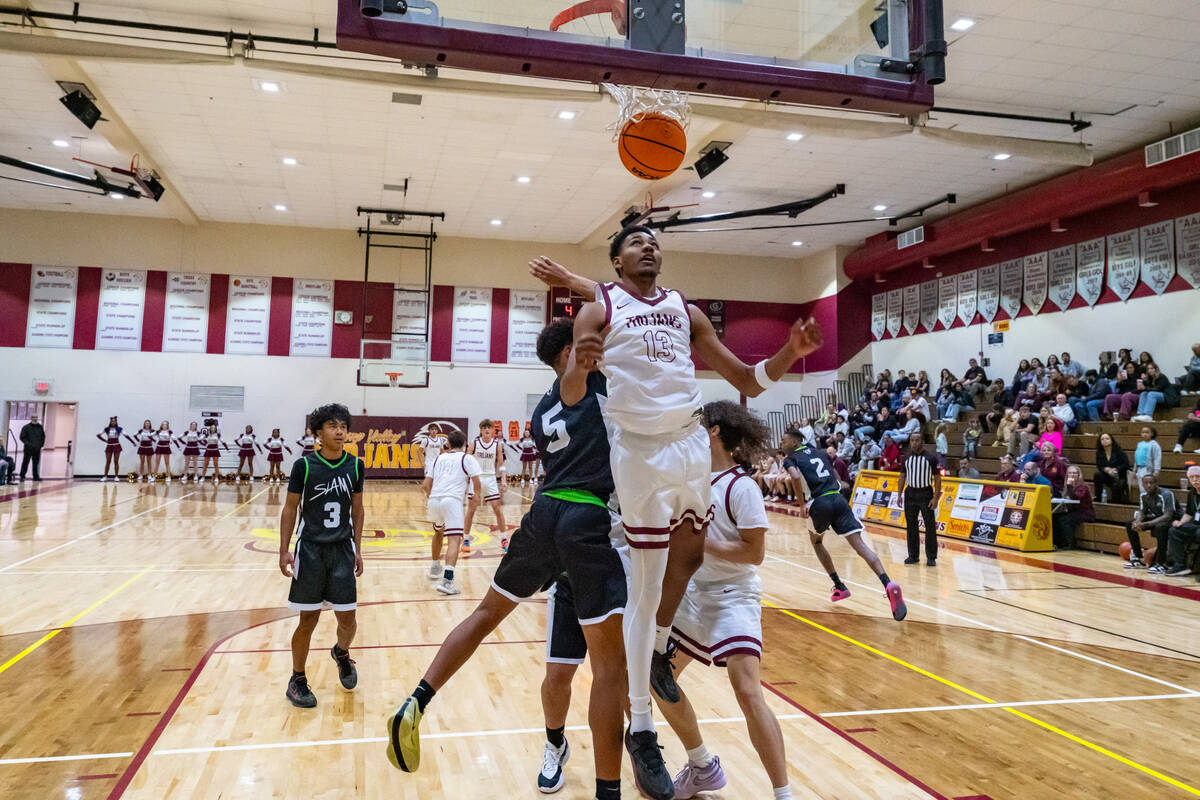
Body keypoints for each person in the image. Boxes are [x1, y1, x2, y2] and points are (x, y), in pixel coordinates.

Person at [530, 228, 824, 799]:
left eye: (655, 241)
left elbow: (744, 380)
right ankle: (641, 722)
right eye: (636, 242)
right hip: (638, 450)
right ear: (616, 260)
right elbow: (570, 393)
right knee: (644, 584)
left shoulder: (684, 311)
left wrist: (792, 352)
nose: (649, 247)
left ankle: (658, 651)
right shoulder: (600, 306)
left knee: (683, 561)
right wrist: (580, 367)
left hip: (688, 444)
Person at [386, 319, 630, 800]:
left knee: (484, 615)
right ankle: (609, 788)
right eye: (585, 344)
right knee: (609, 669)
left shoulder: (542, 411)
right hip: (586, 520)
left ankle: (418, 698)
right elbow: (597, 321)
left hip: (542, 515)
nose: (597, 346)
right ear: (568, 353)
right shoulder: (586, 378)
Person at [656, 402, 809, 800]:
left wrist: (700, 543)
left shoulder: (741, 486)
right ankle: (701, 764)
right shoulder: (691, 479)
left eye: (698, 427)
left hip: (733, 597)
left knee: (747, 690)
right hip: (692, 595)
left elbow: (753, 553)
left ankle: (783, 794)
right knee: (659, 680)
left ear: (715, 432)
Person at [277, 403, 365, 708]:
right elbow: (290, 508)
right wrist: (284, 549)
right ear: (318, 432)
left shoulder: (355, 465)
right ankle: (297, 679)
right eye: (332, 426)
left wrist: (359, 548)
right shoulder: (303, 466)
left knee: (349, 620)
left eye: (343, 426)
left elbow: (358, 508)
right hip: (311, 550)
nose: (340, 431)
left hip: (342, 550)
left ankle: (341, 652)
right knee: (308, 620)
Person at [781, 428, 908, 617]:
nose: (781, 445)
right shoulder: (821, 452)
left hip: (820, 502)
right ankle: (888, 583)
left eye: (784, 441)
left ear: (794, 442)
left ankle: (839, 586)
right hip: (838, 498)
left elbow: (796, 477)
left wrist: (801, 504)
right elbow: (833, 474)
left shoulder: (790, 459)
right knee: (860, 546)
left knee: (816, 542)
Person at [424, 429, 482, 595]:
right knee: (455, 539)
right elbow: (477, 481)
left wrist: (431, 498)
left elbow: (425, 485)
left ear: (447, 444)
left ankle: (435, 567)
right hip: (452, 500)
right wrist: (475, 497)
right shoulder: (467, 458)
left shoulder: (439, 458)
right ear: (465, 444)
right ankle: (447, 581)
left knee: (438, 532)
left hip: (434, 500)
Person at [898, 431, 941, 566]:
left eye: (917, 440)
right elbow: (902, 476)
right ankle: (913, 555)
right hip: (910, 493)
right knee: (911, 526)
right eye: (912, 440)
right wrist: (899, 494)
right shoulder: (906, 457)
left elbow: (938, 478)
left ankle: (931, 557)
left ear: (922, 441)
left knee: (929, 526)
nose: (914, 443)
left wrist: (935, 498)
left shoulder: (931, 458)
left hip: (925, 493)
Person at [465, 419, 509, 550]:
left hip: (490, 478)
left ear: (492, 430)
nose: (486, 430)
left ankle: (504, 539)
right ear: (481, 430)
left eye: (489, 427)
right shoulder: (474, 443)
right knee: (471, 509)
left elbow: (501, 464)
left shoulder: (497, 445)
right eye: (484, 427)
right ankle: (466, 539)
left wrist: (504, 479)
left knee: (497, 508)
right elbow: (466, 461)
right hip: (476, 478)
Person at [1126, 474, 1175, 571]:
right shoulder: (1143, 495)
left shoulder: (1166, 494)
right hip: (1156, 519)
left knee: (1161, 528)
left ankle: (1161, 563)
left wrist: (1147, 524)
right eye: (1146, 483)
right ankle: (1139, 559)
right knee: (1130, 524)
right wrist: (1138, 521)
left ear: (1156, 484)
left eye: (1151, 483)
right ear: (1142, 484)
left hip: (1173, 520)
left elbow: (1167, 516)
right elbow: (1142, 511)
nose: (1148, 485)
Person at [1163, 466, 1200, 578]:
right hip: (1196, 524)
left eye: (1198, 477)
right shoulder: (1192, 493)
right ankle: (1180, 566)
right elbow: (1189, 513)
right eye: (1191, 477)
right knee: (1174, 530)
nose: (1195, 480)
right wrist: (1180, 523)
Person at [1052, 465, 1094, 549]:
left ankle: (1070, 543)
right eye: (1070, 473)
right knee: (1055, 517)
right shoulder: (1067, 487)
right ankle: (1057, 542)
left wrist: (1069, 486)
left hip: (1085, 513)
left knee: (1065, 520)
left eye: (1074, 473)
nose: (1072, 475)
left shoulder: (1083, 487)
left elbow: (1076, 497)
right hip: (1073, 511)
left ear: (1079, 475)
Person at [1093, 432, 1130, 504]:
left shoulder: (1119, 451)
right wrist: (1105, 469)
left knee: (1119, 483)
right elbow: (1099, 466)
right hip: (1107, 475)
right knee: (1097, 474)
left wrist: (1116, 469)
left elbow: (1126, 464)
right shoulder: (1099, 452)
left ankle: (1115, 503)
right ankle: (1098, 497)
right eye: (1102, 439)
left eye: (1107, 438)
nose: (1104, 440)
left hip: (1119, 476)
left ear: (1111, 440)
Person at [96, 416, 123, 482]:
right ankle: (105, 476)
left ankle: (116, 476)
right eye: (112, 421)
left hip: (117, 446)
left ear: (116, 422)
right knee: (108, 461)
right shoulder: (106, 429)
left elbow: (126, 435)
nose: (113, 422)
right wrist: (105, 440)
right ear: (110, 422)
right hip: (109, 446)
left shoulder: (119, 429)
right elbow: (98, 435)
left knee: (116, 461)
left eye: (114, 421)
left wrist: (133, 442)